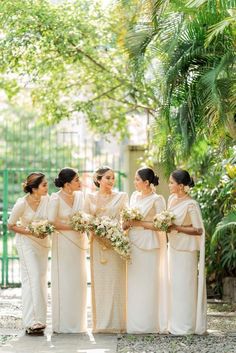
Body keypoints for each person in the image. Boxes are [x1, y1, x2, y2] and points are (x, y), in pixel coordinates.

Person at [84, 166, 128, 333]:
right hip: (97, 244)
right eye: (107, 178)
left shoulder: (121, 197)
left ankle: (119, 323)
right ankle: (101, 324)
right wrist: (98, 233)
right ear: (99, 179)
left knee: (117, 282)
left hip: (115, 244)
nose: (111, 181)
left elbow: (126, 220)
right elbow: (86, 219)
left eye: (112, 177)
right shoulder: (89, 198)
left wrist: (116, 234)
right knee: (101, 284)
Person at [125, 167, 168, 334]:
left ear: (146, 182)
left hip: (149, 244)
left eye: (137, 179)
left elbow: (161, 225)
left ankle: (150, 323)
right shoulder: (134, 196)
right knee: (135, 283)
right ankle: (135, 323)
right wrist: (127, 223)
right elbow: (129, 218)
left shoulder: (157, 200)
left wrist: (139, 224)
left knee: (149, 282)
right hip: (133, 243)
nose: (134, 182)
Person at [8, 172, 50, 335]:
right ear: (34, 188)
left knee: (40, 279)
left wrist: (44, 230)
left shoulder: (47, 200)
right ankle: (32, 321)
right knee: (32, 278)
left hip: (42, 244)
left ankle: (40, 320)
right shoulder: (22, 204)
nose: (47, 187)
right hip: (26, 243)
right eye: (44, 185)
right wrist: (31, 231)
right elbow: (10, 225)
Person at [48, 168, 88, 333]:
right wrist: (73, 226)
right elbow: (52, 222)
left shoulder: (80, 196)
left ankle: (78, 323)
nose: (80, 182)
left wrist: (83, 224)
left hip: (78, 243)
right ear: (67, 184)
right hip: (62, 243)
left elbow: (85, 215)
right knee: (65, 281)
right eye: (77, 180)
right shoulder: (55, 198)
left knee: (78, 281)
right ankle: (63, 324)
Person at [167, 169, 207, 335]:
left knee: (185, 286)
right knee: (174, 286)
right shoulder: (171, 200)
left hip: (186, 251)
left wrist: (177, 228)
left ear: (181, 186)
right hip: (174, 248)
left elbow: (198, 230)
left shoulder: (191, 204)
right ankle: (174, 323)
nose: (169, 185)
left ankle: (186, 325)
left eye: (171, 183)